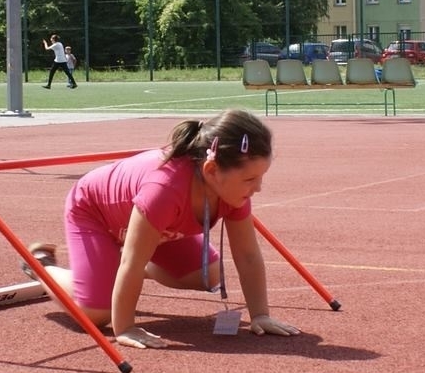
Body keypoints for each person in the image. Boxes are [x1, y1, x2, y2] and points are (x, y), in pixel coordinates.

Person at [27, 109, 299, 350]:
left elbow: (248, 256)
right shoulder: (164, 190)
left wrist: (260, 314)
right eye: (250, 179)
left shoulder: (233, 193)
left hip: (158, 227)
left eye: (261, 177)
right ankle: (42, 265)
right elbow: (132, 263)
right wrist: (124, 328)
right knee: (96, 313)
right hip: (94, 212)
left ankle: (111, 270)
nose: (258, 188)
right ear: (212, 169)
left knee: (210, 274)